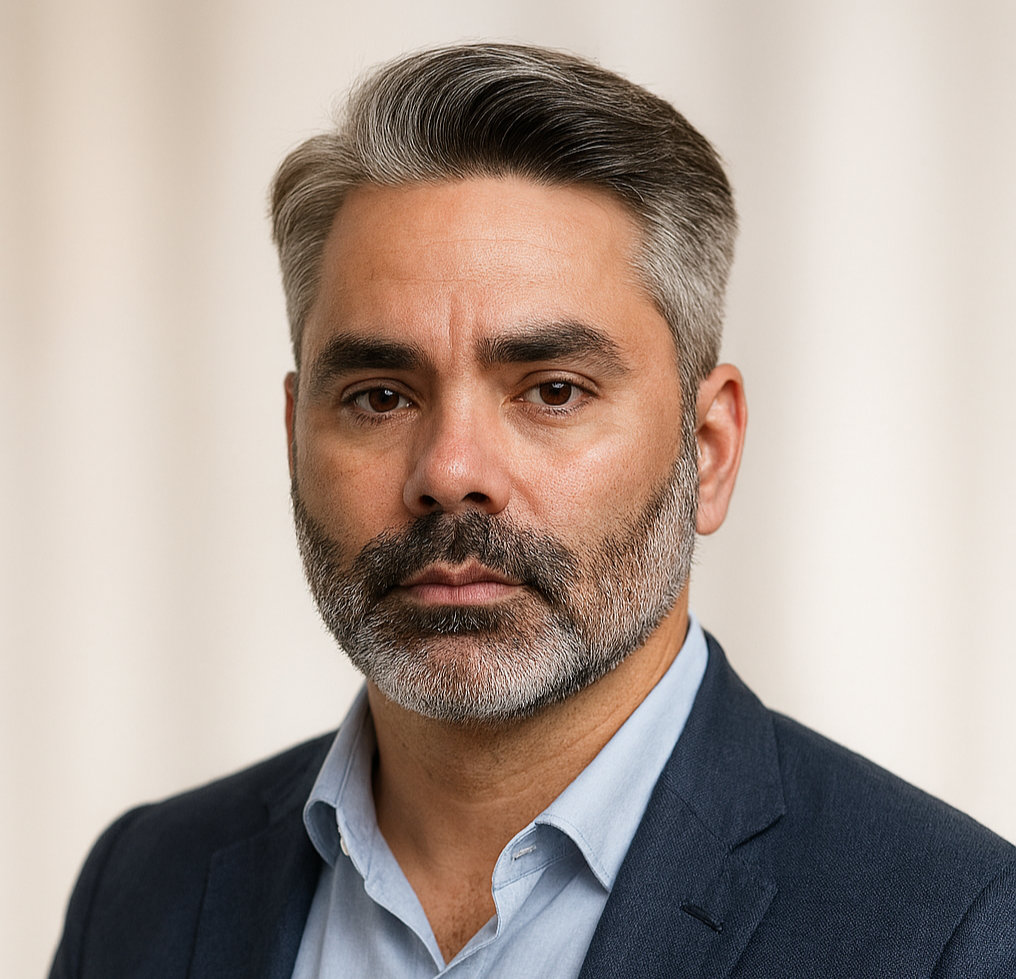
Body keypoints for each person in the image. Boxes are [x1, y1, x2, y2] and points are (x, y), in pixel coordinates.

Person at [50, 43, 1015, 978]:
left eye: (553, 389)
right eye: (380, 395)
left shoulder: (949, 933)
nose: (452, 470)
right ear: (294, 434)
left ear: (709, 449)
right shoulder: (144, 883)